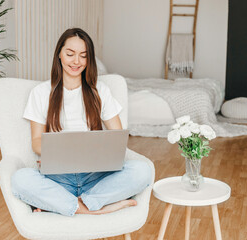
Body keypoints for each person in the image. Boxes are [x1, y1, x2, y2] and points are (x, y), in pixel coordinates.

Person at [11, 28, 152, 217]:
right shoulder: (41, 92)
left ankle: (69, 204)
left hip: (96, 176)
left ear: (89, 60)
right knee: (20, 179)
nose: (76, 61)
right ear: (59, 54)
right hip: (58, 178)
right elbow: (36, 141)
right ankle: (96, 207)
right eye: (70, 54)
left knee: (143, 171)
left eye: (83, 56)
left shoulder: (100, 91)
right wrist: (59, 152)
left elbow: (117, 137)